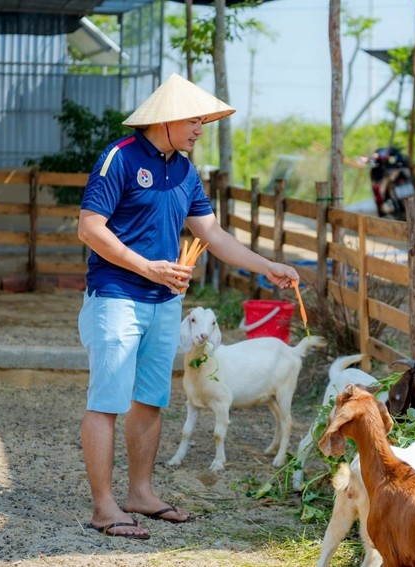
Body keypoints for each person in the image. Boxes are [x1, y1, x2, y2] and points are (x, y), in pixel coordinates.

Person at [77, 73, 300, 539]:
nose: (201, 129)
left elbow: (212, 234)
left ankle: (140, 493)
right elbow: (90, 228)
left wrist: (267, 266)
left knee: (150, 401)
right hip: (116, 296)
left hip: (165, 301)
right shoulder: (120, 157)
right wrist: (148, 267)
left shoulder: (184, 170)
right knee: (107, 401)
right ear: (167, 119)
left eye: (203, 121)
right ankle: (103, 507)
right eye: (194, 120)